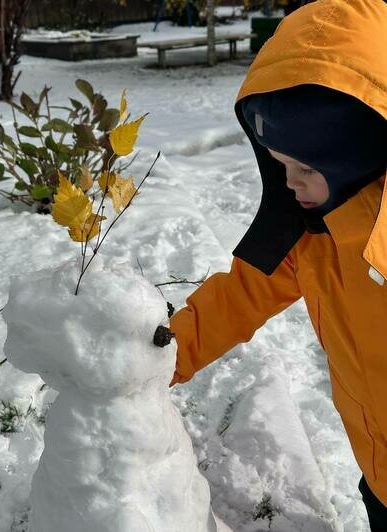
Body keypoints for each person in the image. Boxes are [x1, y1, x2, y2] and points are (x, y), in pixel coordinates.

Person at [168, 0, 387, 529]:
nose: (290, 182)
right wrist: (158, 359)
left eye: (306, 167)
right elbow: (238, 296)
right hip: (377, 473)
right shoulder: (307, 234)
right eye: (280, 164)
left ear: (356, 152)